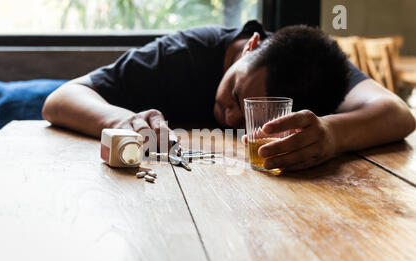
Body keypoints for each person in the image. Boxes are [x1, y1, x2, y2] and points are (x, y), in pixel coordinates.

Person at [42, 20, 415, 171]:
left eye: (258, 116)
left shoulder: (317, 67)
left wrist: (332, 135)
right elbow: (61, 98)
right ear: (251, 46)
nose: (233, 118)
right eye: (237, 95)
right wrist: (119, 120)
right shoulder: (180, 55)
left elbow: (398, 113)